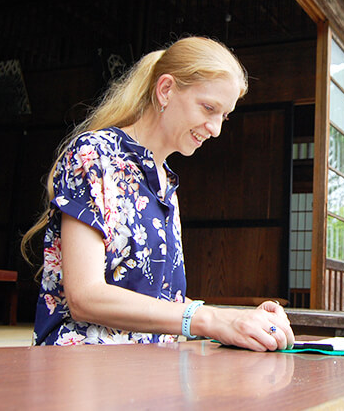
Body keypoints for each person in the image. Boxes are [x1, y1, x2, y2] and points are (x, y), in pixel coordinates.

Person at [21, 36, 295, 350]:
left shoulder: (165, 183)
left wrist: (239, 321)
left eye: (224, 116)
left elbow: (161, 302)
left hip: (151, 366)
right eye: (208, 108)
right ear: (165, 89)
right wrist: (210, 319)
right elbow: (86, 296)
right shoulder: (95, 155)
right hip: (81, 366)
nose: (216, 129)